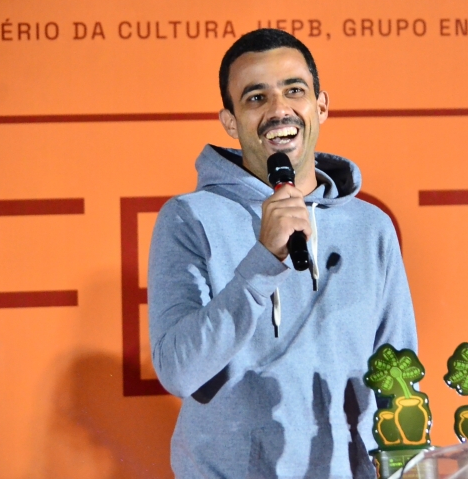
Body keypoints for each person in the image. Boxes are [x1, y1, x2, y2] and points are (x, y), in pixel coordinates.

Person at [147, 28, 418, 479]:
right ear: (230, 121)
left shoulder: (371, 227)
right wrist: (262, 262)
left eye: (294, 90)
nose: (278, 109)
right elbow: (179, 370)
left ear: (321, 106)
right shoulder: (189, 218)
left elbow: (399, 372)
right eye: (256, 98)